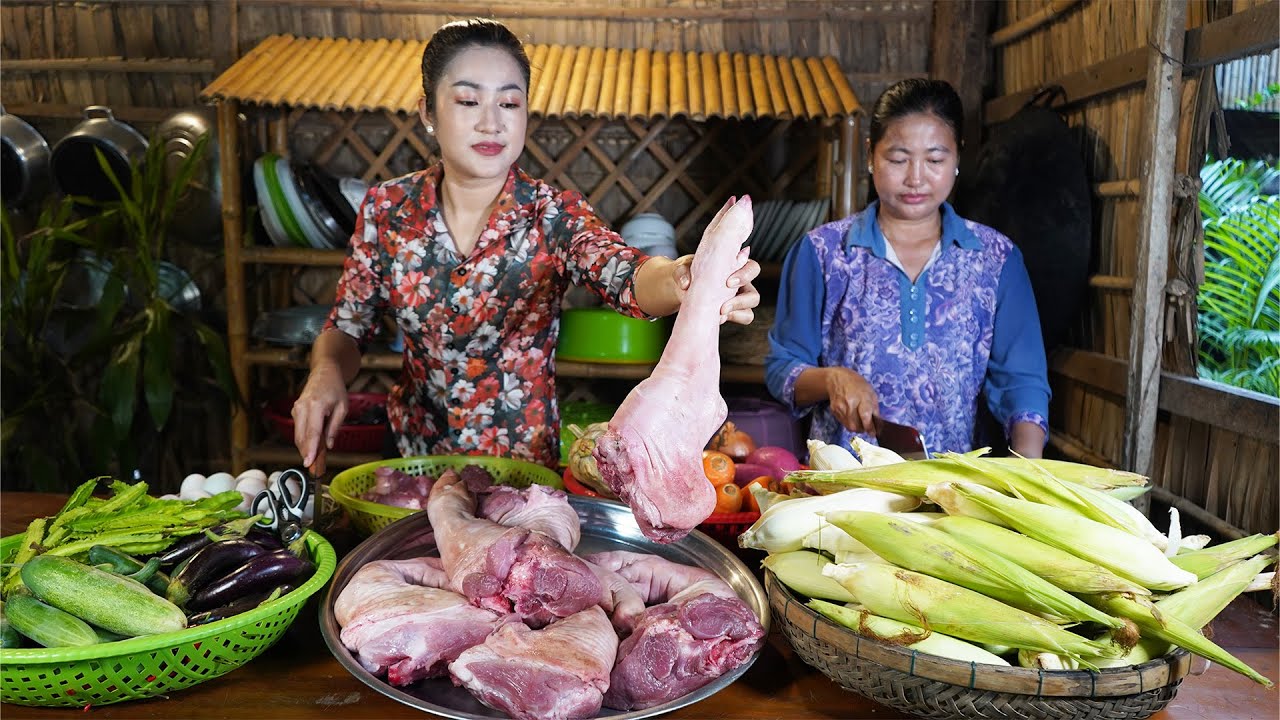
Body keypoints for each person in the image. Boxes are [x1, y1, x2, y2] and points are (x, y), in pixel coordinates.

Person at [292, 19, 761, 475]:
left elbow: (626, 275)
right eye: (468, 101)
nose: (491, 122)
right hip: (414, 463)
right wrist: (325, 371)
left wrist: (684, 279)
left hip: (520, 477)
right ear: (427, 112)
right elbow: (349, 324)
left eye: (509, 103)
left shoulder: (552, 214)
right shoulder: (387, 208)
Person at [764, 78, 1050, 458]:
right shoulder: (823, 253)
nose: (916, 178)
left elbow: (1022, 383)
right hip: (844, 480)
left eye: (935, 160)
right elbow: (782, 369)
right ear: (871, 155)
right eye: (898, 159)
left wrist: (1028, 471)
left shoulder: (996, 259)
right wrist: (831, 379)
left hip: (953, 482)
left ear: (957, 158)